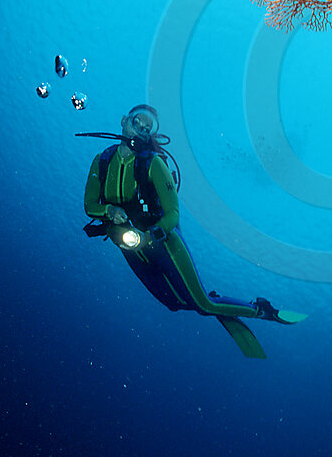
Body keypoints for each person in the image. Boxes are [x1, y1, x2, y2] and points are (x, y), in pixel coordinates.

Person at [82, 104, 306, 358]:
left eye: (147, 128)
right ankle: (215, 302)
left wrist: (151, 234)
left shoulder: (153, 164)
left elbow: (173, 213)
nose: (141, 130)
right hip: (130, 248)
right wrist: (109, 211)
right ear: (124, 121)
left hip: (163, 242)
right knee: (172, 304)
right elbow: (90, 205)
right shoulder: (101, 161)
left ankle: (262, 310)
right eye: (137, 123)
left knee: (201, 305)